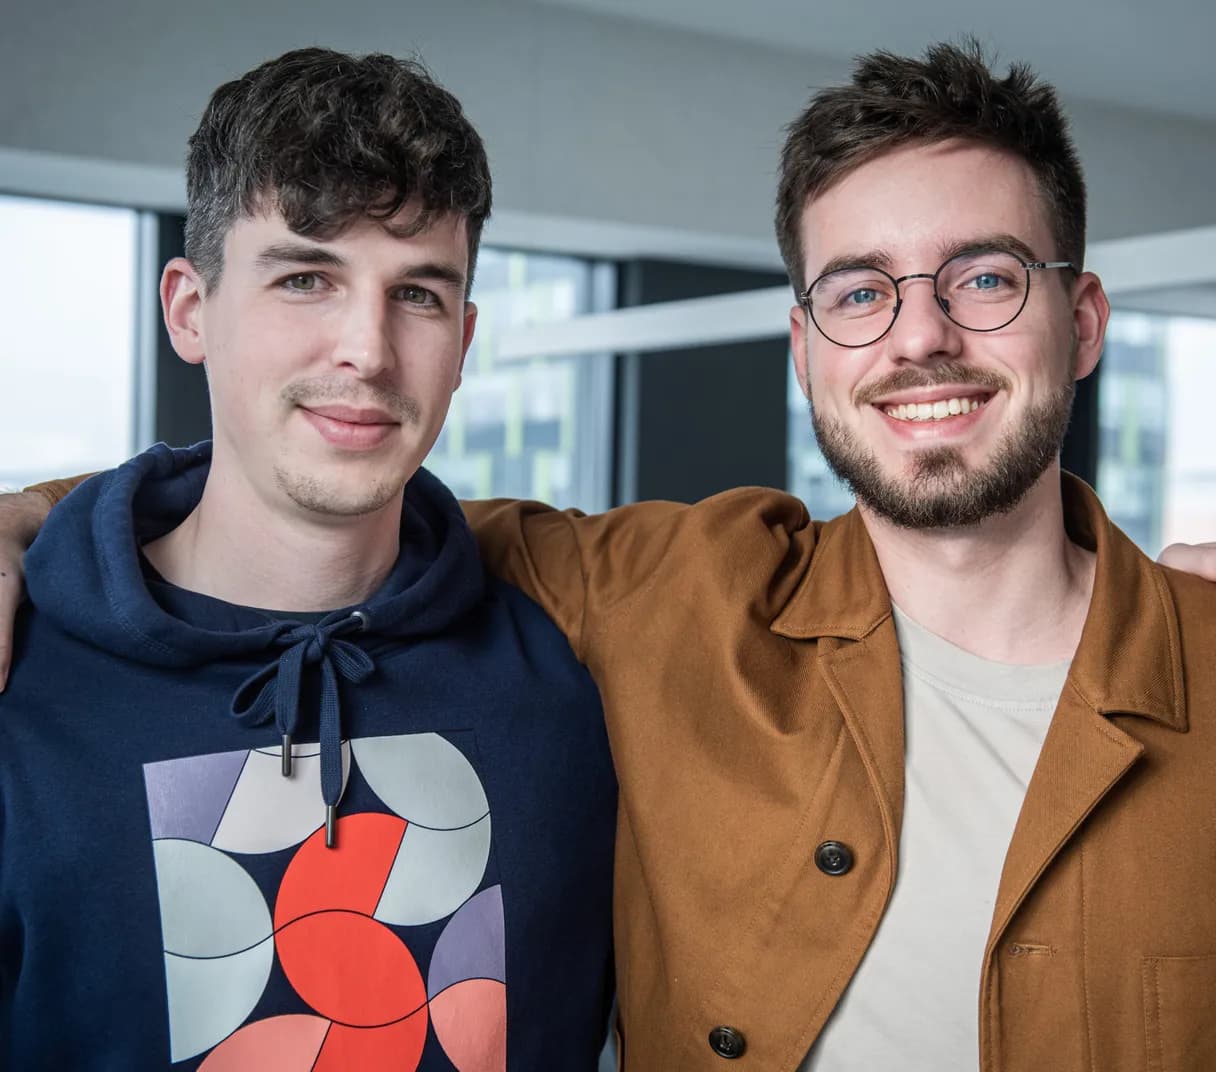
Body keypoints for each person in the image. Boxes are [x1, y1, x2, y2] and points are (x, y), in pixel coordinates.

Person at [3, 40, 1216, 1072]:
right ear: (804, 346)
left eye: (987, 277)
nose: (921, 337)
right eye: (859, 293)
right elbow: (296, 512)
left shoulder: (560, 619)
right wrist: (24, 526)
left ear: (1086, 321)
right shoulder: (666, 598)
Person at [0, 48, 617, 1070]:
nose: (366, 351)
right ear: (190, 311)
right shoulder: (23, 681)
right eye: (304, 278)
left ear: (463, 341)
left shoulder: (575, 672)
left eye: (417, 295)